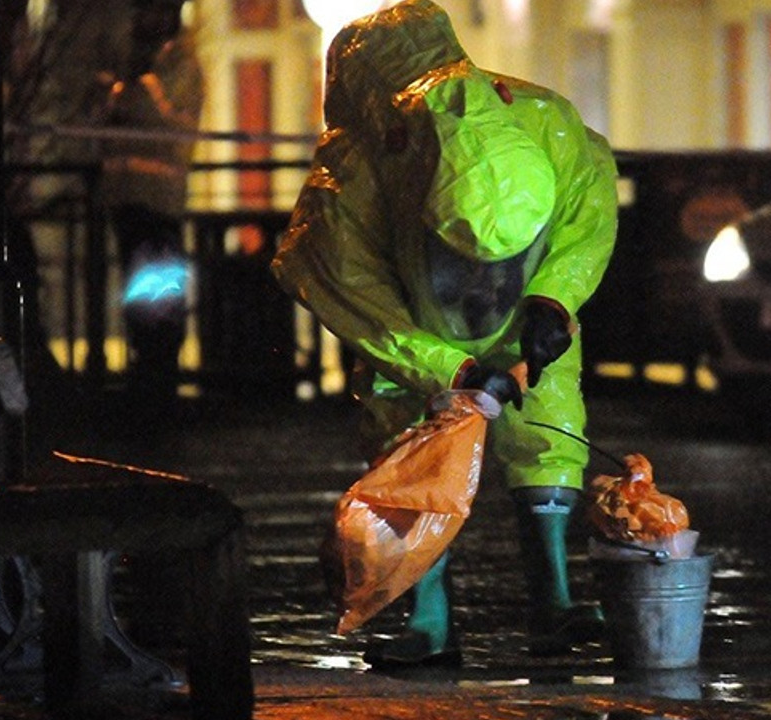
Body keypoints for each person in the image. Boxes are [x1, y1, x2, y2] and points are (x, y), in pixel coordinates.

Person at [272, 0, 618, 667]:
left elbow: (587, 216)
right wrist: (446, 371)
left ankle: (554, 604)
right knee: (413, 455)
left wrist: (552, 297)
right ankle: (428, 616)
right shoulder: (351, 181)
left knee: (546, 432)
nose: (485, 283)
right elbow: (361, 305)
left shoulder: (551, 127)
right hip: (414, 328)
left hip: (524, 318)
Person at [101, 0, 204, 405]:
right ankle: (148, 374)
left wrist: (135, 92)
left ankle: (160, 378)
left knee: (158, 295)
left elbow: (156, 116)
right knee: (140, 293)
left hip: (158, 199)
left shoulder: (178, 64)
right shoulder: (133, 62)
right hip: (126, 196)